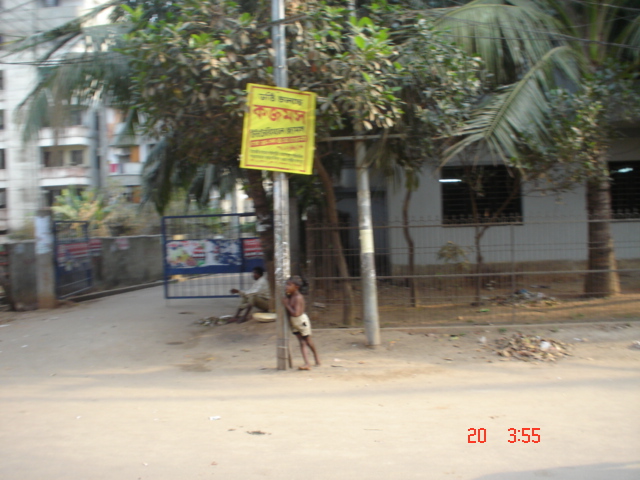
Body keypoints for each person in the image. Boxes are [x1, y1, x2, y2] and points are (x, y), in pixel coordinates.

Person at [282, 275, 320, 370]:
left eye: (289, 285)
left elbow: (296, 313)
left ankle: (315, 357)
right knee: (302, 342)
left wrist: (287, 305)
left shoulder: (298, 297)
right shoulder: (290, 295)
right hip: (294, 323)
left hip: (301, 321)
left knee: (308, 341)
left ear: (296, 287)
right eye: (286, 284)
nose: (286, 287)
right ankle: (307, 363)